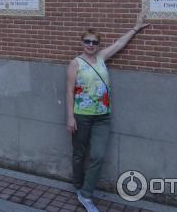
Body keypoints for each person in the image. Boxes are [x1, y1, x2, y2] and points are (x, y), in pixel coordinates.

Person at [66, 11, 149, 212]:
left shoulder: (102, 58)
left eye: (94, 42)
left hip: (102, 116)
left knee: (98, 155)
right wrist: (70, 117)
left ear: (98, 45)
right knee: (79, 154)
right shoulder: (75, 63)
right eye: (87, 41)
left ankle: (86, 195)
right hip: (82, 116)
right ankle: (78, 185)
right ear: (82, 42)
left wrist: (135, 28)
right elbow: (69, 91)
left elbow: (120, 44)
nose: (91, 45)